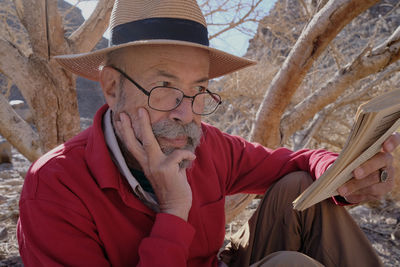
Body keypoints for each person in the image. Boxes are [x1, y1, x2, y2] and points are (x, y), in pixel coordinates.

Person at [17, 0, 399, 266]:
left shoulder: (204, 142)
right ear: (113, 88)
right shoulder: (55, 186)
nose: (185, 113)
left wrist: (346, 170)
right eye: (163, 87)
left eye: (198, 89)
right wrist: (173, 210)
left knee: (299, 187)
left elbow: (289, 162)